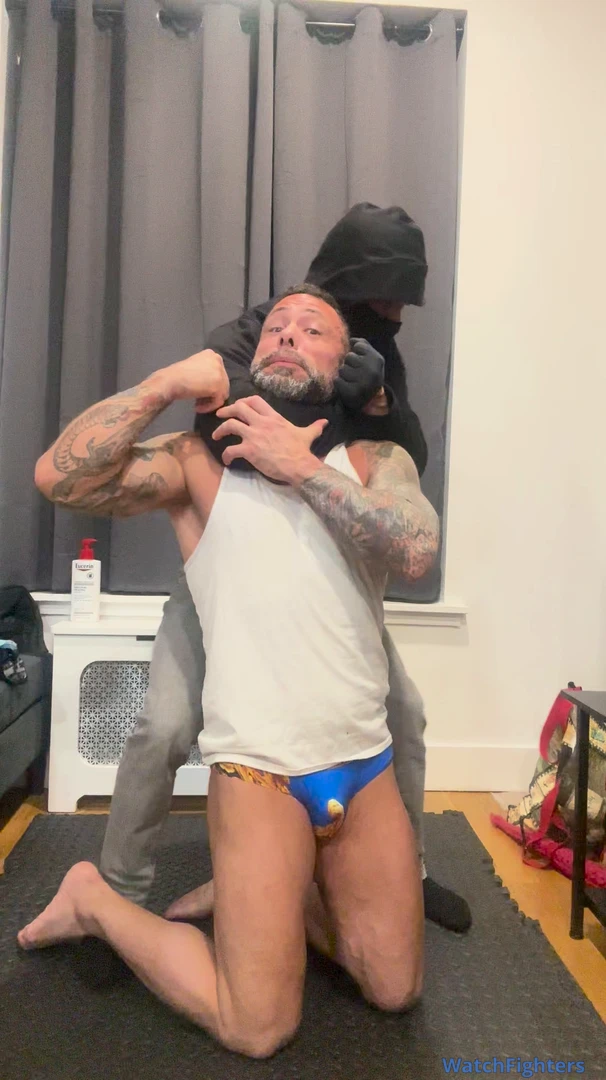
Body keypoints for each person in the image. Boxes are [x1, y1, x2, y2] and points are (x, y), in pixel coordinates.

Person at [22, 286, 438, 1056]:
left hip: (363, 767)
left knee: (394, 988)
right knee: (258, 1026)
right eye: (274, 328)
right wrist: (163, 385)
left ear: (343, 362)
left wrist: (300, 466)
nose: (287, 336)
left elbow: (414, 550)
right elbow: (59, 477)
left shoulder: (376, 459)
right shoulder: (196, 469)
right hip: (258, 776)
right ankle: (93, 900)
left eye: (312, 329)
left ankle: (276, 896)